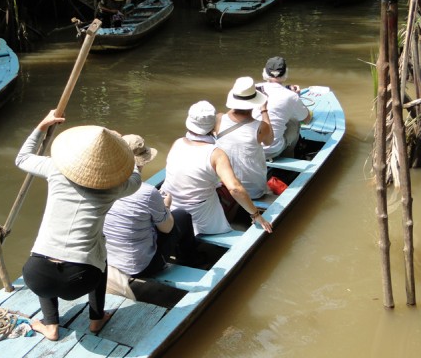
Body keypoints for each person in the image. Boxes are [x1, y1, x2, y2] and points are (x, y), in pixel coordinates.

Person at [15, 110, 141, 341]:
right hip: (81, 279)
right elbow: (135, 176)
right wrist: (124, 152)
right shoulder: (116, 188)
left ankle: (50, 325)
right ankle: (96, 319)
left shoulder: (55, 169)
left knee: (46, 253)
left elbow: (22, 158)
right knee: (100, 260)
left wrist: (42, 126)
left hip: (36, 276)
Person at [160, 100, 273, 236]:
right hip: (201, 215)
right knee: (233, 189)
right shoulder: (216, 154)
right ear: (213, 125)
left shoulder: (177, 143)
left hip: (170, 206)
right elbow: (235, 189)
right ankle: (230, 221)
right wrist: (256, 214)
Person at [104, 134, 200, 280]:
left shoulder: (102, 186)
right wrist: (166, 206)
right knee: (182, 216)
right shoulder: (147, 192)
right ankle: (190, 259)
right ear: (141, 163)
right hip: (140, 267)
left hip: (108, 262)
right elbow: (167, 228)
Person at [215, 76, 273, 200]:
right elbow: (269, 141)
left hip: (226, 188)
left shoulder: (218, 119)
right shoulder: (261, 127)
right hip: (254, 192)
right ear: (255, 102)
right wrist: (264, 110)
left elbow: (230, 115)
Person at [254, 57, 312, 160]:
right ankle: (289, 156)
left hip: (249, 148)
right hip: (270, 150)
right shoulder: (291, 96)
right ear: (285, 73)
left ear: (265, 72)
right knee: (295, 122)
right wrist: (296, 97)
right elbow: (306, 119)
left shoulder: (253, 88)